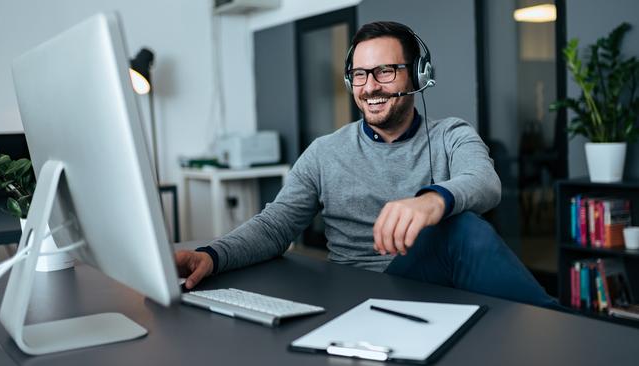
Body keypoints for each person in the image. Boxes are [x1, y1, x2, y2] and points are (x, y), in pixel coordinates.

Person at [176, 21, 556, 308]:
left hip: (434, 287)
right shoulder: (324, 152)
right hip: (356, 295)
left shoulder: (451, 134)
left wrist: (432, 201)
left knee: (461, 229)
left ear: (419, 75)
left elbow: (485, 182)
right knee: (462, 232)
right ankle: (562, 326)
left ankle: (560, 329)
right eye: (360, 74)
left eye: (385, 71)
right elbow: (275, 226)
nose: (370, 86)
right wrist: (211, 255)